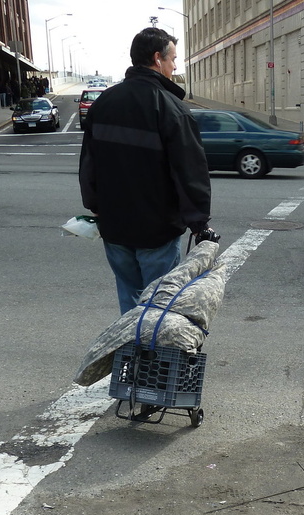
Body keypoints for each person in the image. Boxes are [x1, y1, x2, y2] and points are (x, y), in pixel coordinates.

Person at [79, 27, 214, 316]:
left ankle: (130, 355)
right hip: (156, 229)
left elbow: (88, 164)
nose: (175, 66)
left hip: (115, 226)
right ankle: (151, 357)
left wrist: (95, 206)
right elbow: (190, 172)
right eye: (173, 59)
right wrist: (199, 223)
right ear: (157, 58)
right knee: (158, 307)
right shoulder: (171, 108)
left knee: (129, 302)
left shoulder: (104, 104)